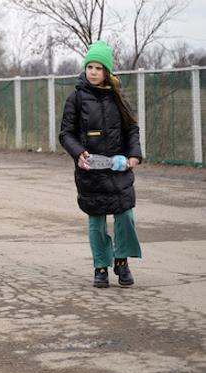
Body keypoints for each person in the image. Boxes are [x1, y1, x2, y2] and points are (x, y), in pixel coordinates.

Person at [59, 40, 142, 288]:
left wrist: (134, 155)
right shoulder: (75, 98)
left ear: (107, 71)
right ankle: (101, 267)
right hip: (90, 171)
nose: (92, 72)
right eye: (89, 67)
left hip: (118, 170)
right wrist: (78, 153)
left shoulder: (118, 97)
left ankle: (122, 261)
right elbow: (66, 134)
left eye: (98, 68)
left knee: (125, 216)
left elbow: (132, 130)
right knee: (96, 221)